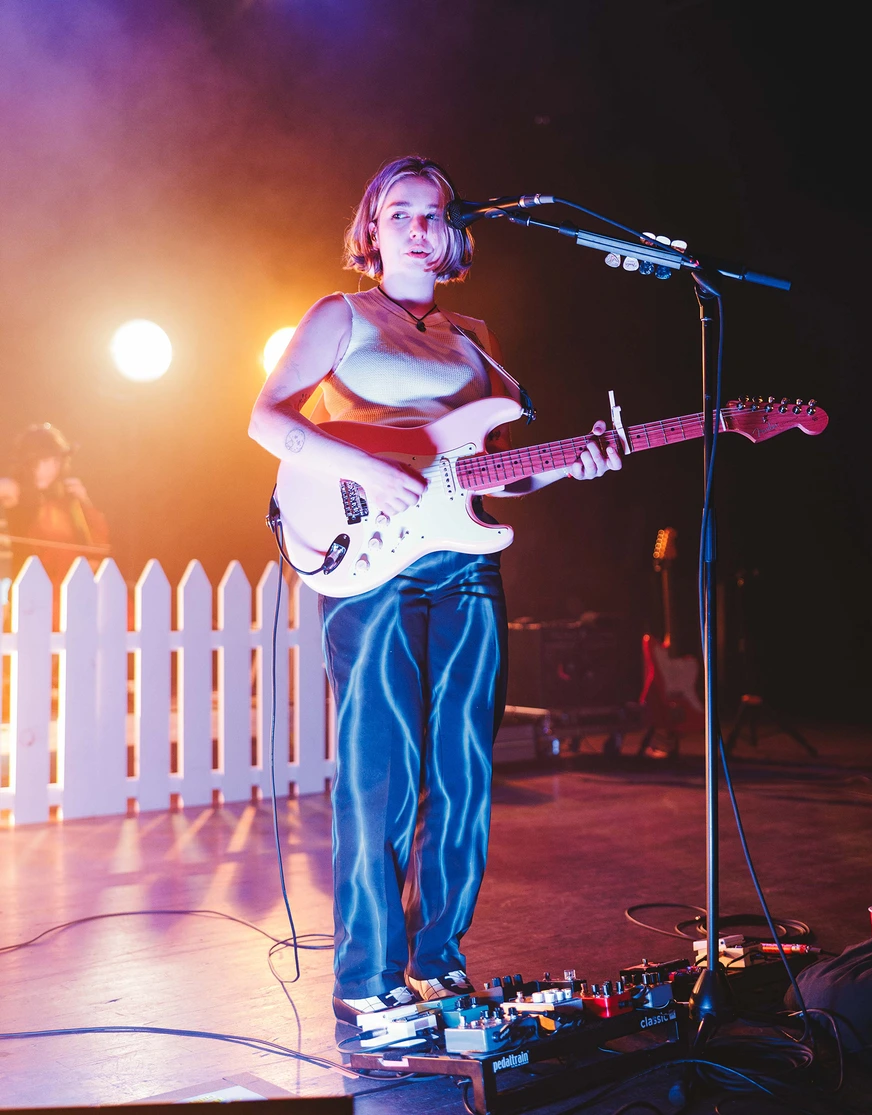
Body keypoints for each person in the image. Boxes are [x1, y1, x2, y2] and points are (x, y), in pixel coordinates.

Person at [249, 155, 622, 1023]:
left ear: (454, 233)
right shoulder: (339, 315)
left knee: (466, 764)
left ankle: (439, 956)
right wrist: (363, 468)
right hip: (370, 559)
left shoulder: (475, 335)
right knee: (382, 767)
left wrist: (575, 463)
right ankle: (367, 978)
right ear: (371, 231)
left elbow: (494, 470)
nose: (420, 228)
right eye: (400, 213)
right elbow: (268, 417)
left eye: (435, 214)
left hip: (464, 560)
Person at [0, 423, 109, 599]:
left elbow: (98, 545)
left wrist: (85, 502)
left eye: (56, 460)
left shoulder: (67, 497)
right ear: (28, 463)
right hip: (28, 590)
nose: (52, 467)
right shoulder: (14, 490)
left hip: (69, 591)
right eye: (44, 461)